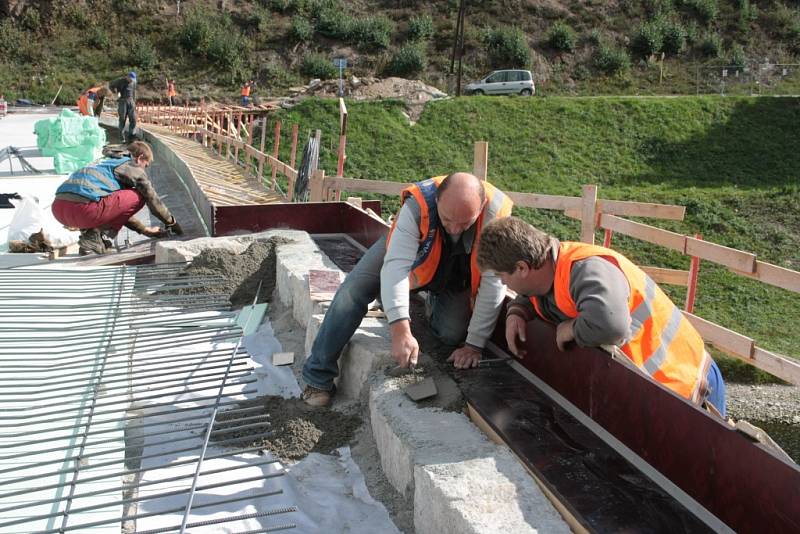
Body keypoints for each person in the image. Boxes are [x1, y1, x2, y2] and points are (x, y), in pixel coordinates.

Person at [476, 216, 726, 416]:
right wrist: (518, 311)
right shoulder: (547, 269)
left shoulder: (586, 270)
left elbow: (610, 326)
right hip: (657, 390)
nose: (502, 282)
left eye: (502, 277)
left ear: (522, 268)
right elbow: (541, 294)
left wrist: (571, 329)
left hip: (686, 383)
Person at [301, 172, 514, 407]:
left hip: (458, 269)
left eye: (464, 223)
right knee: (354, 290)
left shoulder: (495, 215)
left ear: (482, 206)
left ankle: (422, 298)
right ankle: (317, 377)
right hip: (412, 250)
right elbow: (396, 267)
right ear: (437, 202)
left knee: (451, 334)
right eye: (447, 219)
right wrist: (400, 329)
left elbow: (494, 282)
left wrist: (474, 344)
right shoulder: (418, 206)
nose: (454, 229)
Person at [51, 141, 183, 255]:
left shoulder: (104, 162)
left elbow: (117, 210)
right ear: (140, 158)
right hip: (83, 211)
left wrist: (145, 230)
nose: (144, 170)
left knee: (116, 199)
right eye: (145, 165)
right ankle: (94, 235)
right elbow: (152, 198)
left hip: (58, 210)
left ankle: (92, 237)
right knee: (139, 196)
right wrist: (171, 222)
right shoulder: (131, 165)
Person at [109, 71, 137, 142]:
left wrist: (134, 102)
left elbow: (133, 92)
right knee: (122, 120)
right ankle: (122, 139)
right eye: (130, 79)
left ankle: (131, 137)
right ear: (127, 77)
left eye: (133, 79)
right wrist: (114, 91)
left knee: (133, 119)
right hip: (123, 101)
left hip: (131, 101)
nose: (131, 81)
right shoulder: (120, 81)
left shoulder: (133, 82)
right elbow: (111, 85)